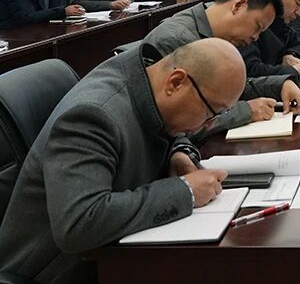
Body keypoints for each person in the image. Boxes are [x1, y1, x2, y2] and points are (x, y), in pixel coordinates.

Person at [0, 38, 245, 284]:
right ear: (176, 82)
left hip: (116, 257)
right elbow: (80, 224)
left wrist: (179, 153)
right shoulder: (93, 115)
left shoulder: (150, 82)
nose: (210, 124)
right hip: (58, 274)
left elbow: (168, 126)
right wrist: (187, 191)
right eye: (211, 112)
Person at [143, 0, 300, 129]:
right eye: (257, 27)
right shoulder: (177, 40)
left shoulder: (218, 34)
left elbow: (223, 88)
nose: (255, 37)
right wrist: (247, 111)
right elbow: (181, 121)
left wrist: (280, 85)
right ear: (238, 6)